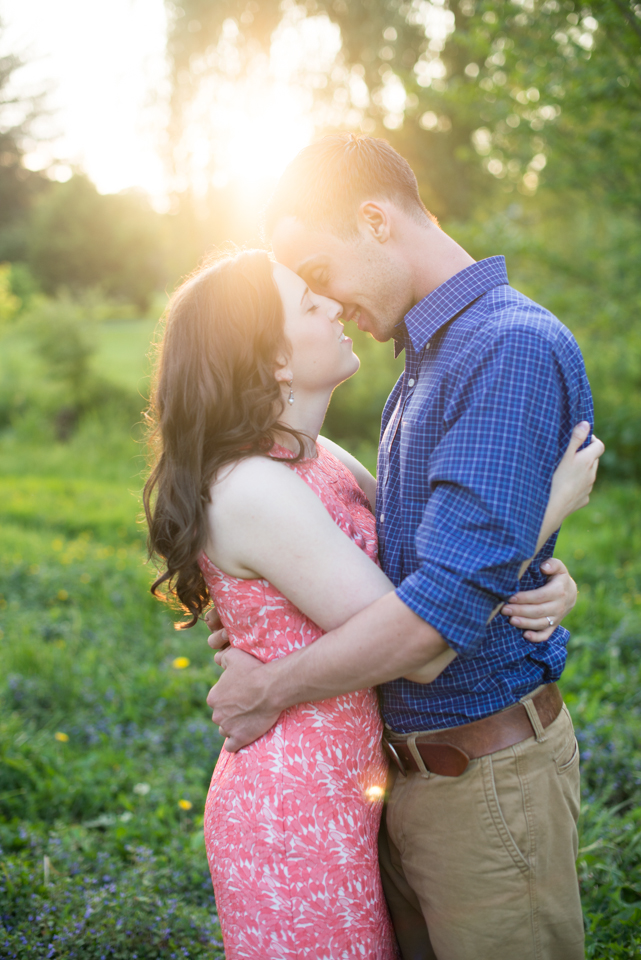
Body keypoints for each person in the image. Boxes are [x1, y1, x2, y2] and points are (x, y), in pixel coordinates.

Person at [205, 136, 603, 960]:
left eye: (320, 272)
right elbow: (426, 564)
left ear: (374, 221)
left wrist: (270, 685)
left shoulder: (505, 347)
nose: (326, 300)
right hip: (401, 786)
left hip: (482, 784)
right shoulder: (429, 355)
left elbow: (431, 625)